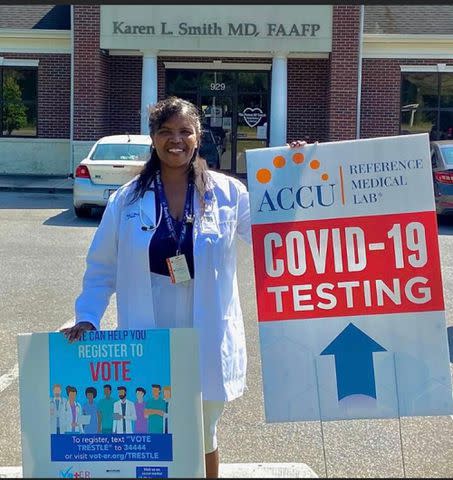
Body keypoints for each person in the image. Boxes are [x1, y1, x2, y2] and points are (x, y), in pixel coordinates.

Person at [62, 96, 305, 477]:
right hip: (149, 330)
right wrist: (88, 317)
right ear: (153, 139)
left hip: (205, 332)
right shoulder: (127, 200)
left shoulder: (228, 193)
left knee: (203, 432)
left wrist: (293, 175)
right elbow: (101, 268)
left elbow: (270, 234)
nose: (175, 140)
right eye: (165, 132)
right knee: (152, 429)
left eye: (184, 132)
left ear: (198, 136)